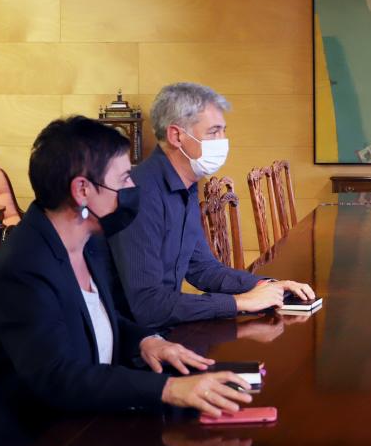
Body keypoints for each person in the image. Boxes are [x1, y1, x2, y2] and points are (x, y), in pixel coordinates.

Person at [0, 117, 253, 446]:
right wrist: (168, 389)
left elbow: (103, 320)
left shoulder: (89, 241)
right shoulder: (22, 267)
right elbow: (59, 376)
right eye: (124, 179)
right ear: (82, 190)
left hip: (82, 425)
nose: (132, 188)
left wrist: (147, 341)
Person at [110, 82, 313, 328]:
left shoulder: (187, 183)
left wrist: (265, 286)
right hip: (135, 344)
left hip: (165, 330)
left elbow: (202, 269)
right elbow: (147, 305)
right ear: (177, 136)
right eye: (213, 132)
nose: (223, 141)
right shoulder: (142, 194)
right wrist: (238, 302)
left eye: (223, 131)